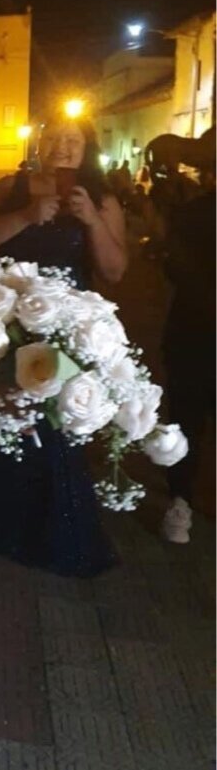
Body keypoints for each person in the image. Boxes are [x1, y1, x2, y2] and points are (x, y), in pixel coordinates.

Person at [0, 112, 127, 577]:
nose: (62, 146)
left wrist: (91, 220)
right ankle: (6, 530)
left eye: (72, 139)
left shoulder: (100, 197)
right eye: (53, 137)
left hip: (71, 331)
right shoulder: (9, 188)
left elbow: (115, 270)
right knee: (10, 422)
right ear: (38, 143)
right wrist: (25, 216)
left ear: (87, 148)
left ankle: (59, 538)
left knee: (58, 430)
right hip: (10, 325)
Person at [159, 177, 215, 543]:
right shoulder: (193, 213)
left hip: (192, 332)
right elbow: (175, 266)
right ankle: (180, 500)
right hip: (194, 335)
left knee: (188, 419)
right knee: (186, 421)